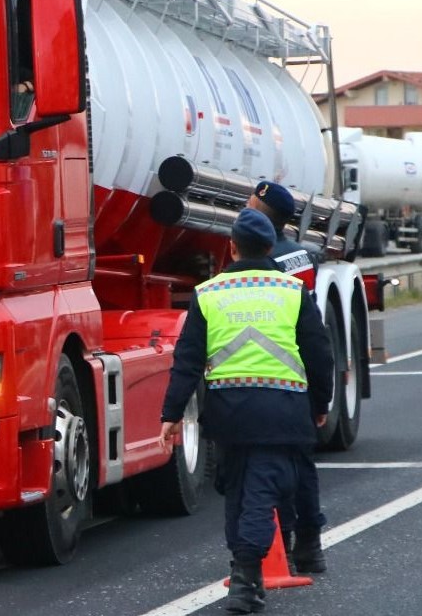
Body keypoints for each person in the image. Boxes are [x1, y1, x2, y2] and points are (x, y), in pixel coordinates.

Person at [158, 208, 333, 614]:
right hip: (282, 409)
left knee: (239, 492)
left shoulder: (208, 293)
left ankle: (245, 577)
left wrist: (172, 413)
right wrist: (320, 403)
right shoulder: (292, 291)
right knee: (262, 491)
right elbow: (319, 353)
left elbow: (187, 361)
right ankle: (245, 578)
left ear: (232, 248)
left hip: (229, 413)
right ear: (271, 247)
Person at [247, 180, 328, 574]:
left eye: (251, 200)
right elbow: (314, 334)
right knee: (300, 464)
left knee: (267, 467)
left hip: (268, 372)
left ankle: (279, 540)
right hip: (300, 372)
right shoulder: (301, 255)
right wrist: (322, 396)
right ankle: (310, 545)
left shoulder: (264, 261)